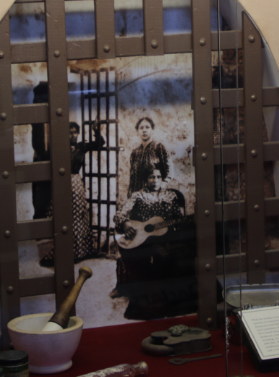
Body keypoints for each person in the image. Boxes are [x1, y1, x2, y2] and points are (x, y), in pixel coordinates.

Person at [111, 166, 198, 320]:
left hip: (166, 237)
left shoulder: (170, 196)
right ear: (146, 179)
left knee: (176, 255)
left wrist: (182, 222)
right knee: (145, 258)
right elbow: (120, 214)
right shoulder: (138, 196)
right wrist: (126, 224)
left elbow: (179, 218)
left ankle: (176, 302)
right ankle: (151, 302)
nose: (155, 180)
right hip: (144, 238)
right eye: (151, 177)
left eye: (158, 177)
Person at [40, 120, 105, 265]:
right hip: (60, 182)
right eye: (70, 133)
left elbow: (100, 143)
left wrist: (96, 131)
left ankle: (79, 251)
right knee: (60, 215)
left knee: (77, 216)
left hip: (75, 182)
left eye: (75, 132)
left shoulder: (81, 146)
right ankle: (59, 252)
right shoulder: (58, 147)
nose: (73, 135)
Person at [127, 117, 169, 196]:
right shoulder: (135, 152)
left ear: (152, 130)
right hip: (137, 194)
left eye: (147, 127)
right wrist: (130, 194)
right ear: (137, 131)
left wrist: (161, 186)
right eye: (141, 128)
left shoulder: (159, 148)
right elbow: (132, 177)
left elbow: (169, 172)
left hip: (154, 194)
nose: (144, 130)